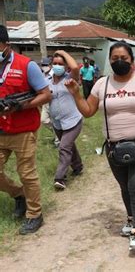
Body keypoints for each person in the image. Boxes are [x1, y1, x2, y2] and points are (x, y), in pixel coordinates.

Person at [65, 41, 135, 252]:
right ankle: (131, 217)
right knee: (125, 187)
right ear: (109, 61)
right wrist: (76, 95)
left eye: (123, 58)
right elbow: (88, 111)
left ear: (131, 60)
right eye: (115, 59)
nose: (119, 62)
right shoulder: (102, 85)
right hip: (114, 148)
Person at [0, 25, 52, 234]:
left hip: (23, 130)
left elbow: (46, 94)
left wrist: (21, 106)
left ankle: (34, 214)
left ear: (6, 45)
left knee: (27, 173)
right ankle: (18, 194)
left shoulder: (26, 66)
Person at [49, 51, 84, 190]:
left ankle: (60, 178)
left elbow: (75, 68)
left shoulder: (70, 78)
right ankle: (78, 166)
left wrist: (61, 52)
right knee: (69, 146)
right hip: (57, 122)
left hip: (73, 121)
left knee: (64, 147)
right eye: (55, 63)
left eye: (60, 64)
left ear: (65, 66)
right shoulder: (47, 81)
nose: (57, 66)